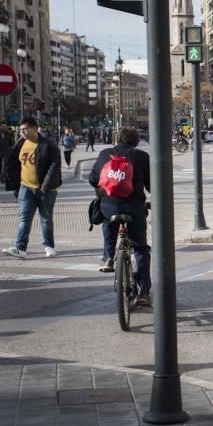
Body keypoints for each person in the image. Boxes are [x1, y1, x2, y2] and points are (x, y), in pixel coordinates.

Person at [88, 127, 153, 306]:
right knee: (140, 248)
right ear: (136, 141)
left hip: (109, 206)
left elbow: (93, 179)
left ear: (117, 139)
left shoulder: (104, 154)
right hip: (134, 208)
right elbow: (151, 185)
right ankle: (144, 292)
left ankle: (109, 258)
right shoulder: (141, 156)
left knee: (108, 219)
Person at [2, 116, 63, 259]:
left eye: (25, 129)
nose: (22, 132)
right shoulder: (20, 144)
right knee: (24, 219)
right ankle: (20, 248)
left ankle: (49, 246)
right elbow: (12, 163)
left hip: (46, 190)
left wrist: (45, 186)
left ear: (35, 128)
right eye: (21, 130)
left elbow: (55, 166)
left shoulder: (49, 145)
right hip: (26, 187)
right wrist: (14, 184)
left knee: (46, 219)